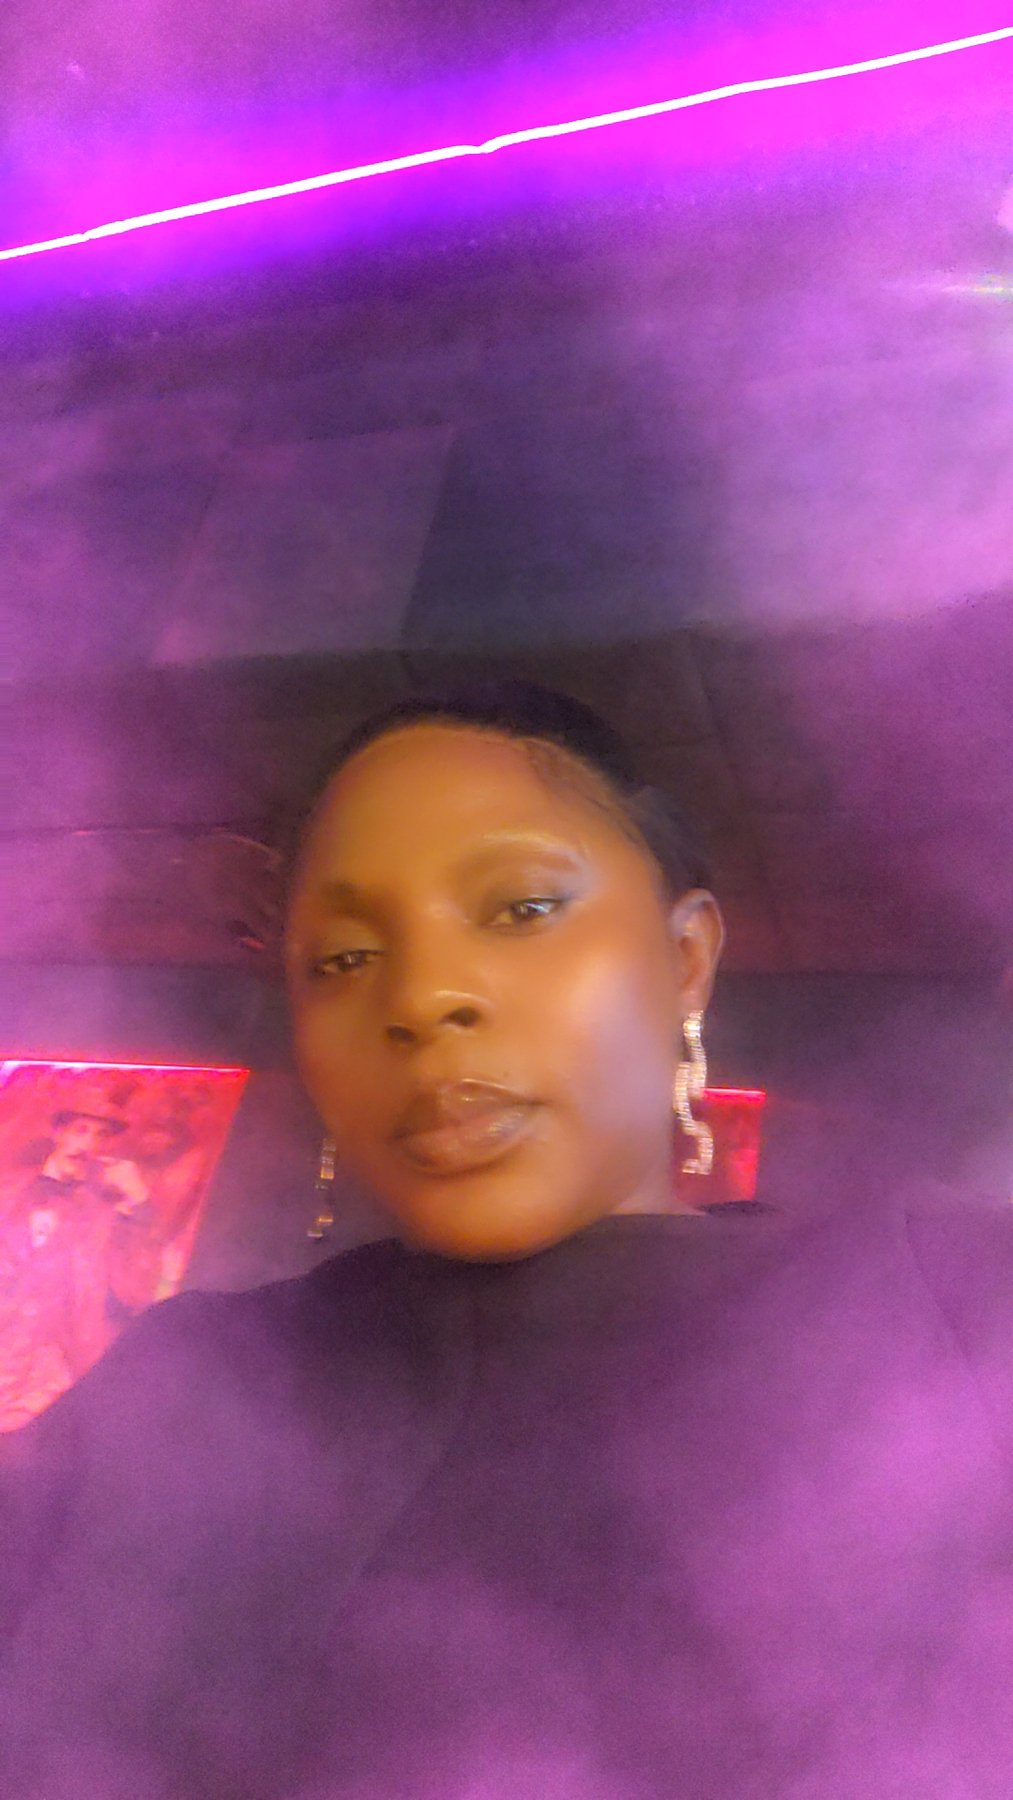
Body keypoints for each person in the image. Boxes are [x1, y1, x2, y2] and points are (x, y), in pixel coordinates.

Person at [1, 681, 1012, 1800]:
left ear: (684, 957)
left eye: (522, 907)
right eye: (342, 958)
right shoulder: (184, 1387)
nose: (422, 996)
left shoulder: (950, 1308)